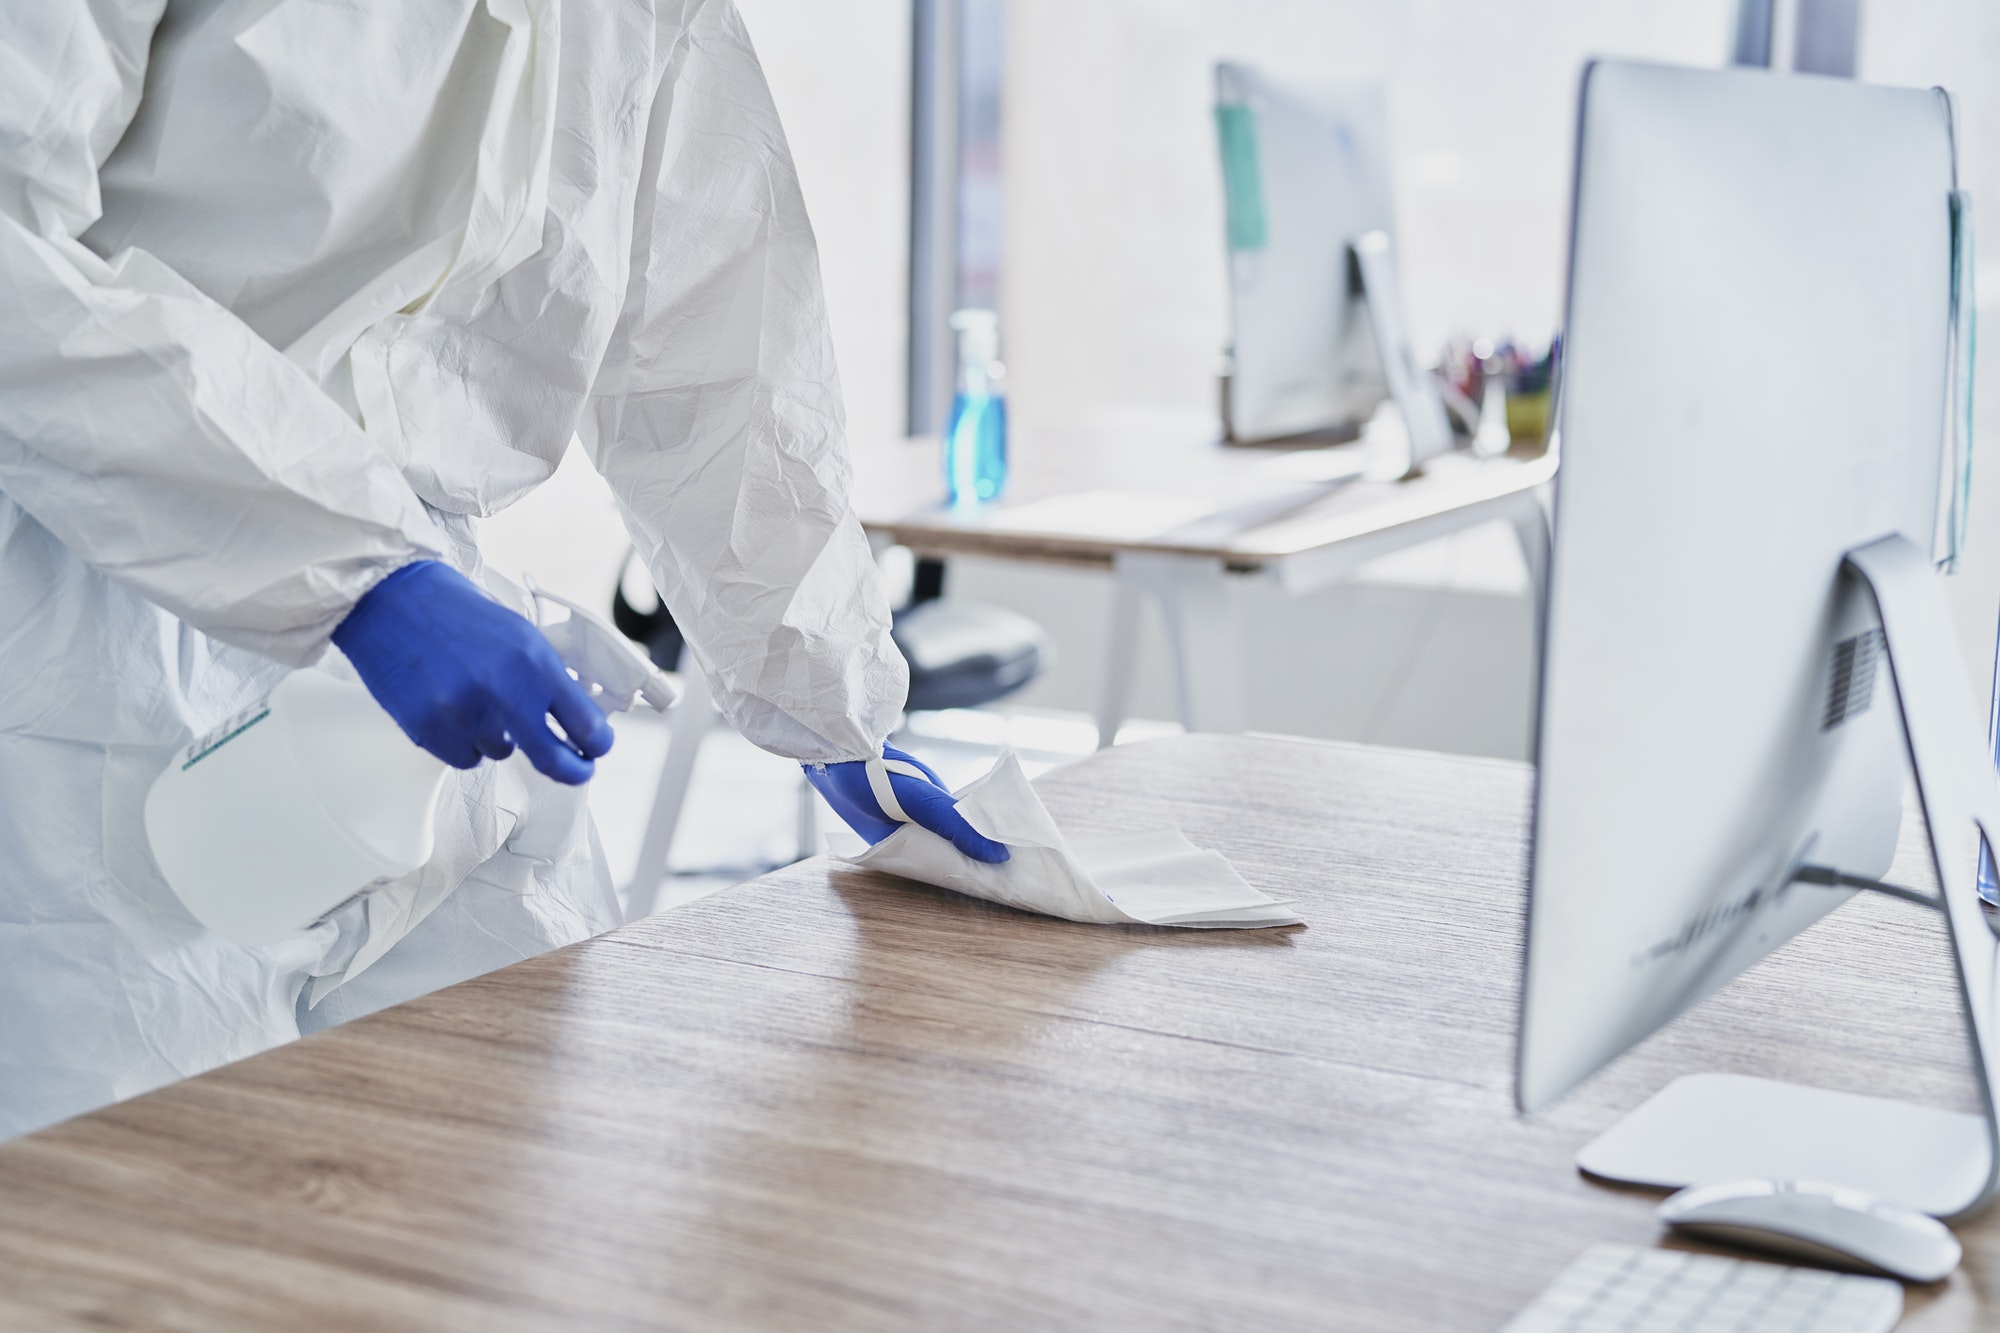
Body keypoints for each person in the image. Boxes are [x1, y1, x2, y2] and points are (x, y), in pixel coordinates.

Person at [0, 1, 1003, 1140]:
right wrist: (352, 572)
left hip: (441, 641)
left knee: (510, 1165)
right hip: (85, 622)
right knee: (135, 1209)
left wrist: (831, 709)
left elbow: (718, 341)